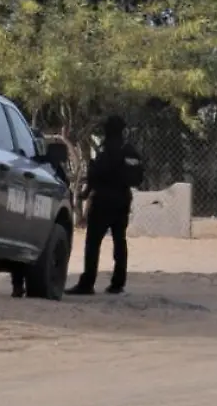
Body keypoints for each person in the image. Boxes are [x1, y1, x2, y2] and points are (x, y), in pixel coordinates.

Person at [69, 115, 143, 296]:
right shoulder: (129, 151)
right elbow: (138, 178)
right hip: (122, 200)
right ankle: (118, 283)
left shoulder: (104, 151)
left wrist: (84, 194)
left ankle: (87, 283)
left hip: (102, 201)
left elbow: (95, 176)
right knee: (119, 241)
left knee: (93, 243)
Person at [12, 144, 72, 298]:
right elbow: (64, 186)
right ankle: (20, 286)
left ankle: (18, 286)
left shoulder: (38, 163)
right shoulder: (52, 170)